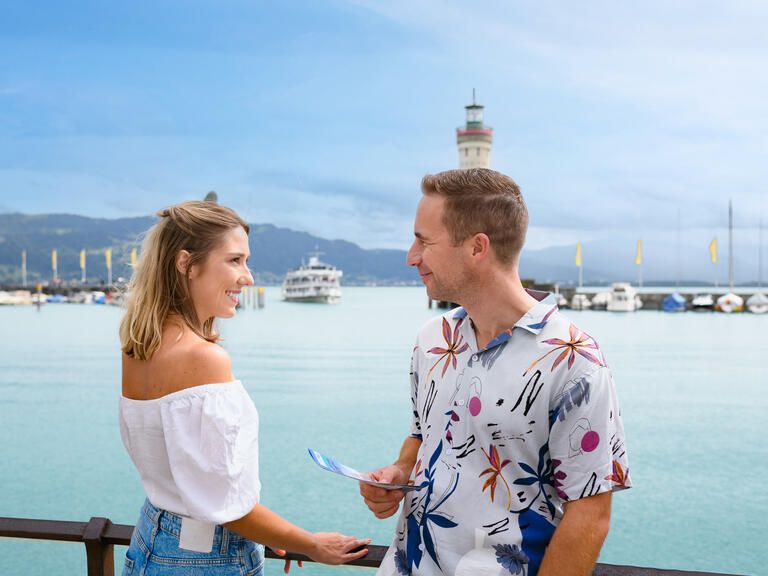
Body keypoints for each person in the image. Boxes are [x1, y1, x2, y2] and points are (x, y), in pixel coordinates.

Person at [359, 169, 631, 576]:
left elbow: (590, 514)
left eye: (424, 241)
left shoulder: (574, 360)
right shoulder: (432, 339)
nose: (411, 256)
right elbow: (422, 433)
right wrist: (399, 472)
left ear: (477, 247)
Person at [119, 201, 370, 576]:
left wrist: (265, 529)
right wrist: (312, 543)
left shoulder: (137, 345)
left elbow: (188, 476)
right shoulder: (204, 358)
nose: (248, 277)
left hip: (151, 541)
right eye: (235, 261)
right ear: (186, 263)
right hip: (205, 558)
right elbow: (227, 505)